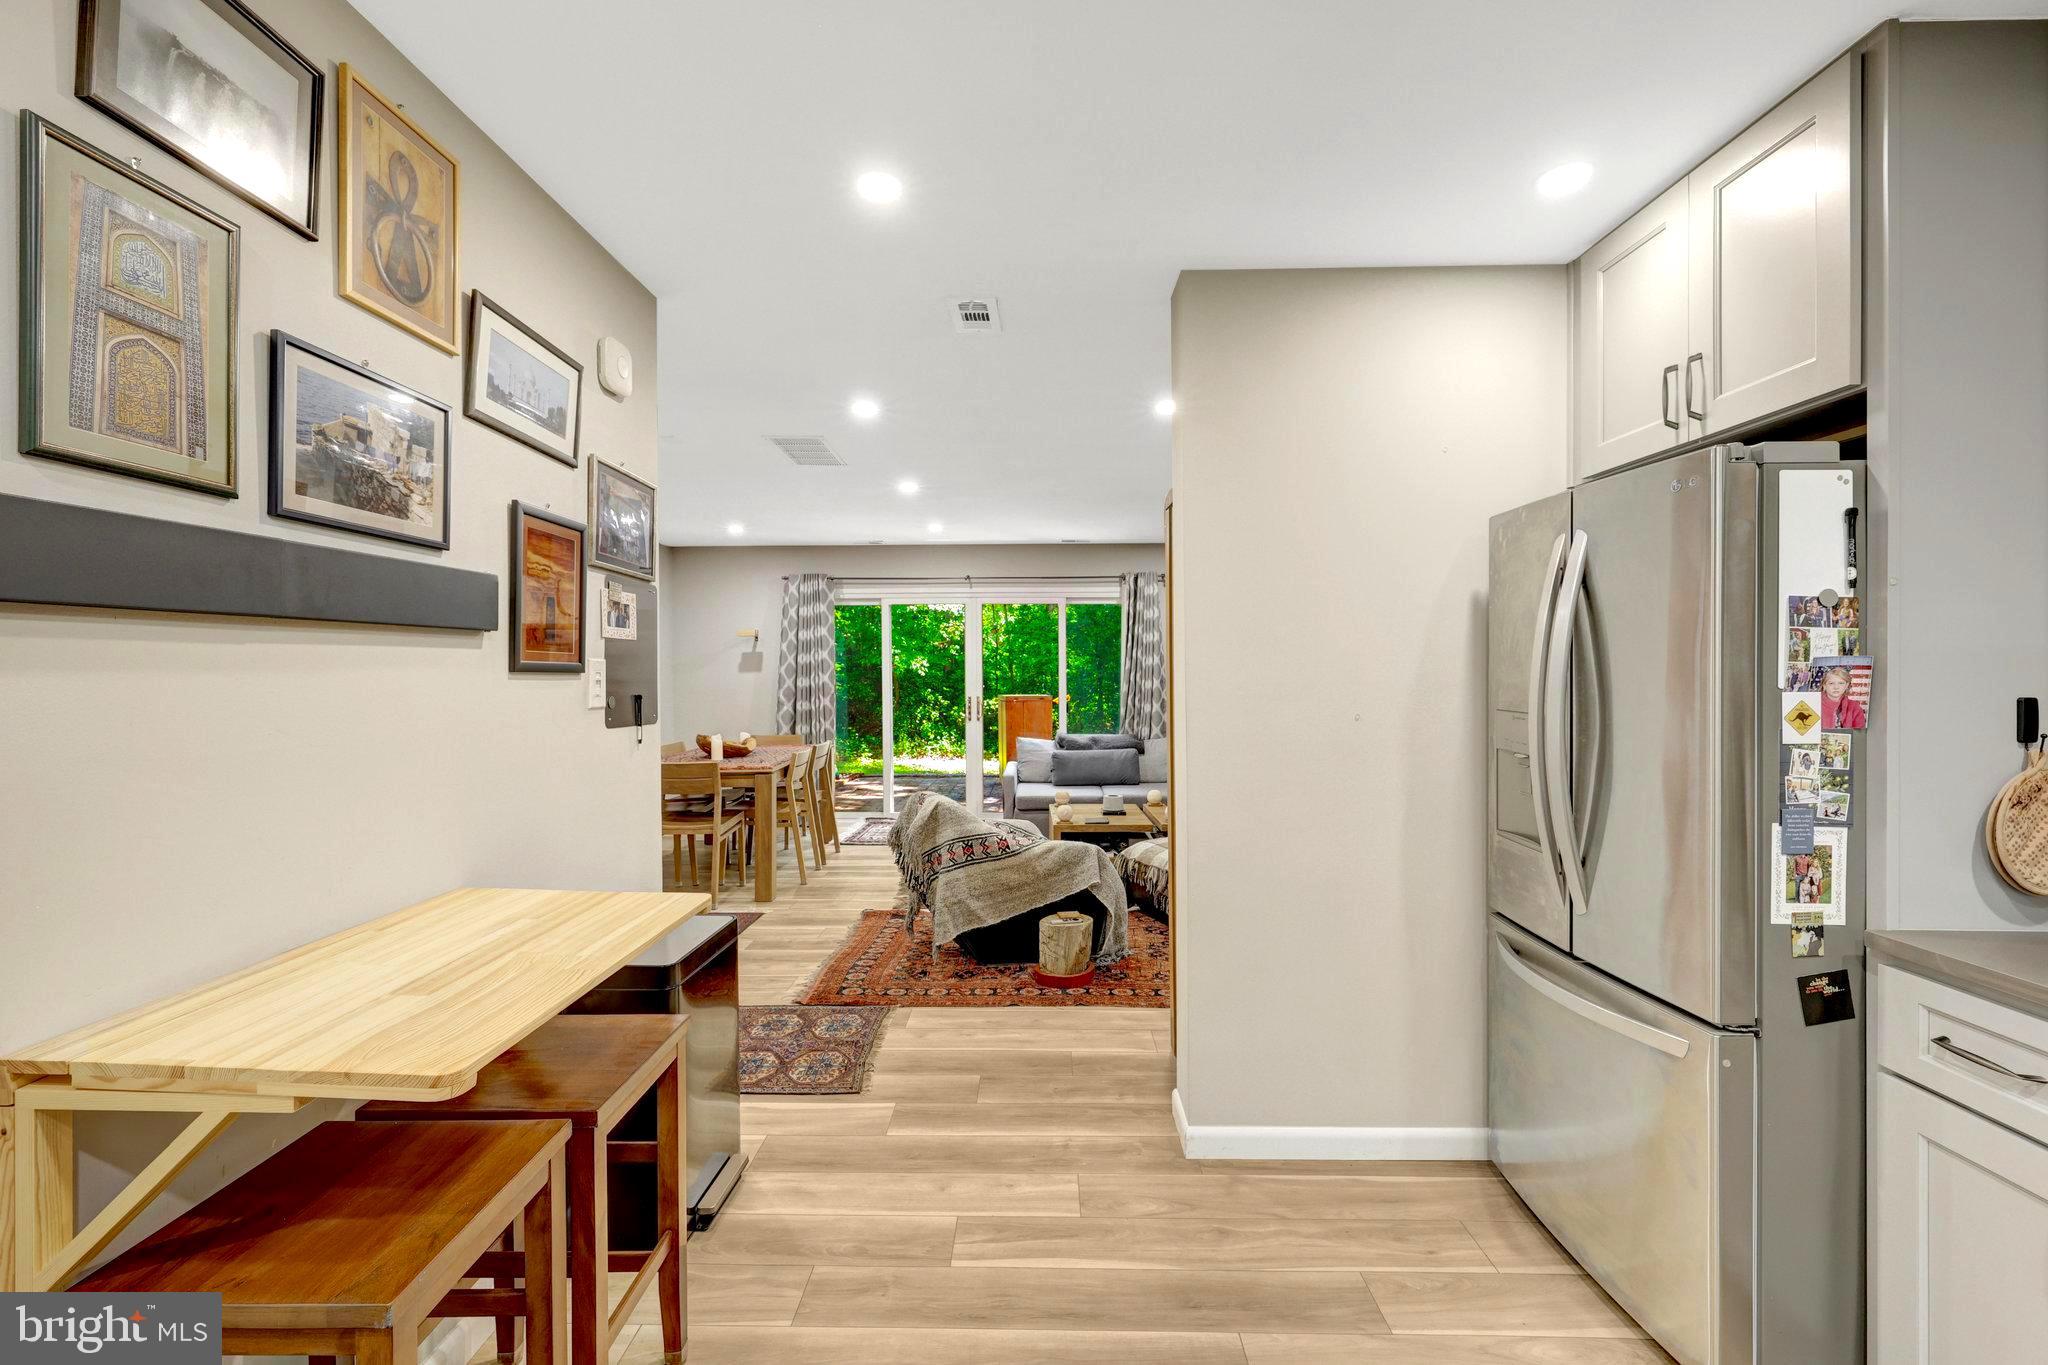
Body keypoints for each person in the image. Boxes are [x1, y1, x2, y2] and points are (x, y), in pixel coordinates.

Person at [1818, 665, 1866, 730]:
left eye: (1841, 683)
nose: (1836, 687)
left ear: (1846, 685)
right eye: (1831, 683)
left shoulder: (1854, 707)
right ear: (1824, 686)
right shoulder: (1815, 704)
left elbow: (1859, 733)